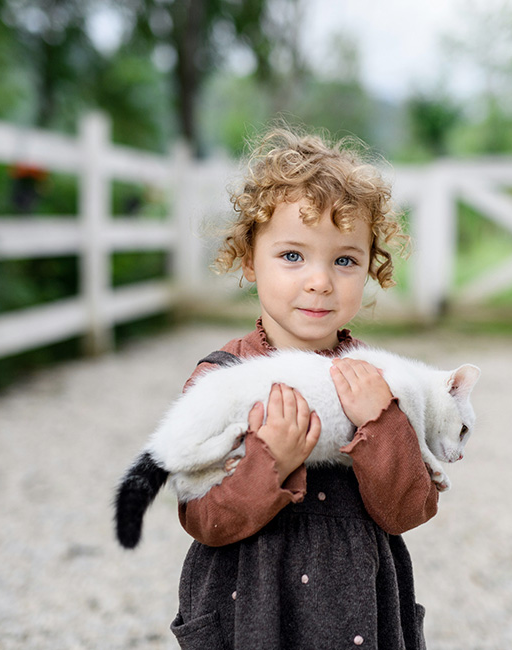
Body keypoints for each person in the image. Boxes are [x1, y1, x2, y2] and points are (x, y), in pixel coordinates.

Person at [170, 127, 438, 650]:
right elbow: (201, 517)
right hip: (250, 608)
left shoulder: (379, 383)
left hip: (357, 609)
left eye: (344, 260)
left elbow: (409, 510)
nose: (319, 281)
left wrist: (380, 424)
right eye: (293, 255)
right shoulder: (222, 380)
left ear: (370, 269)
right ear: (250, 259)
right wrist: (268, 461)